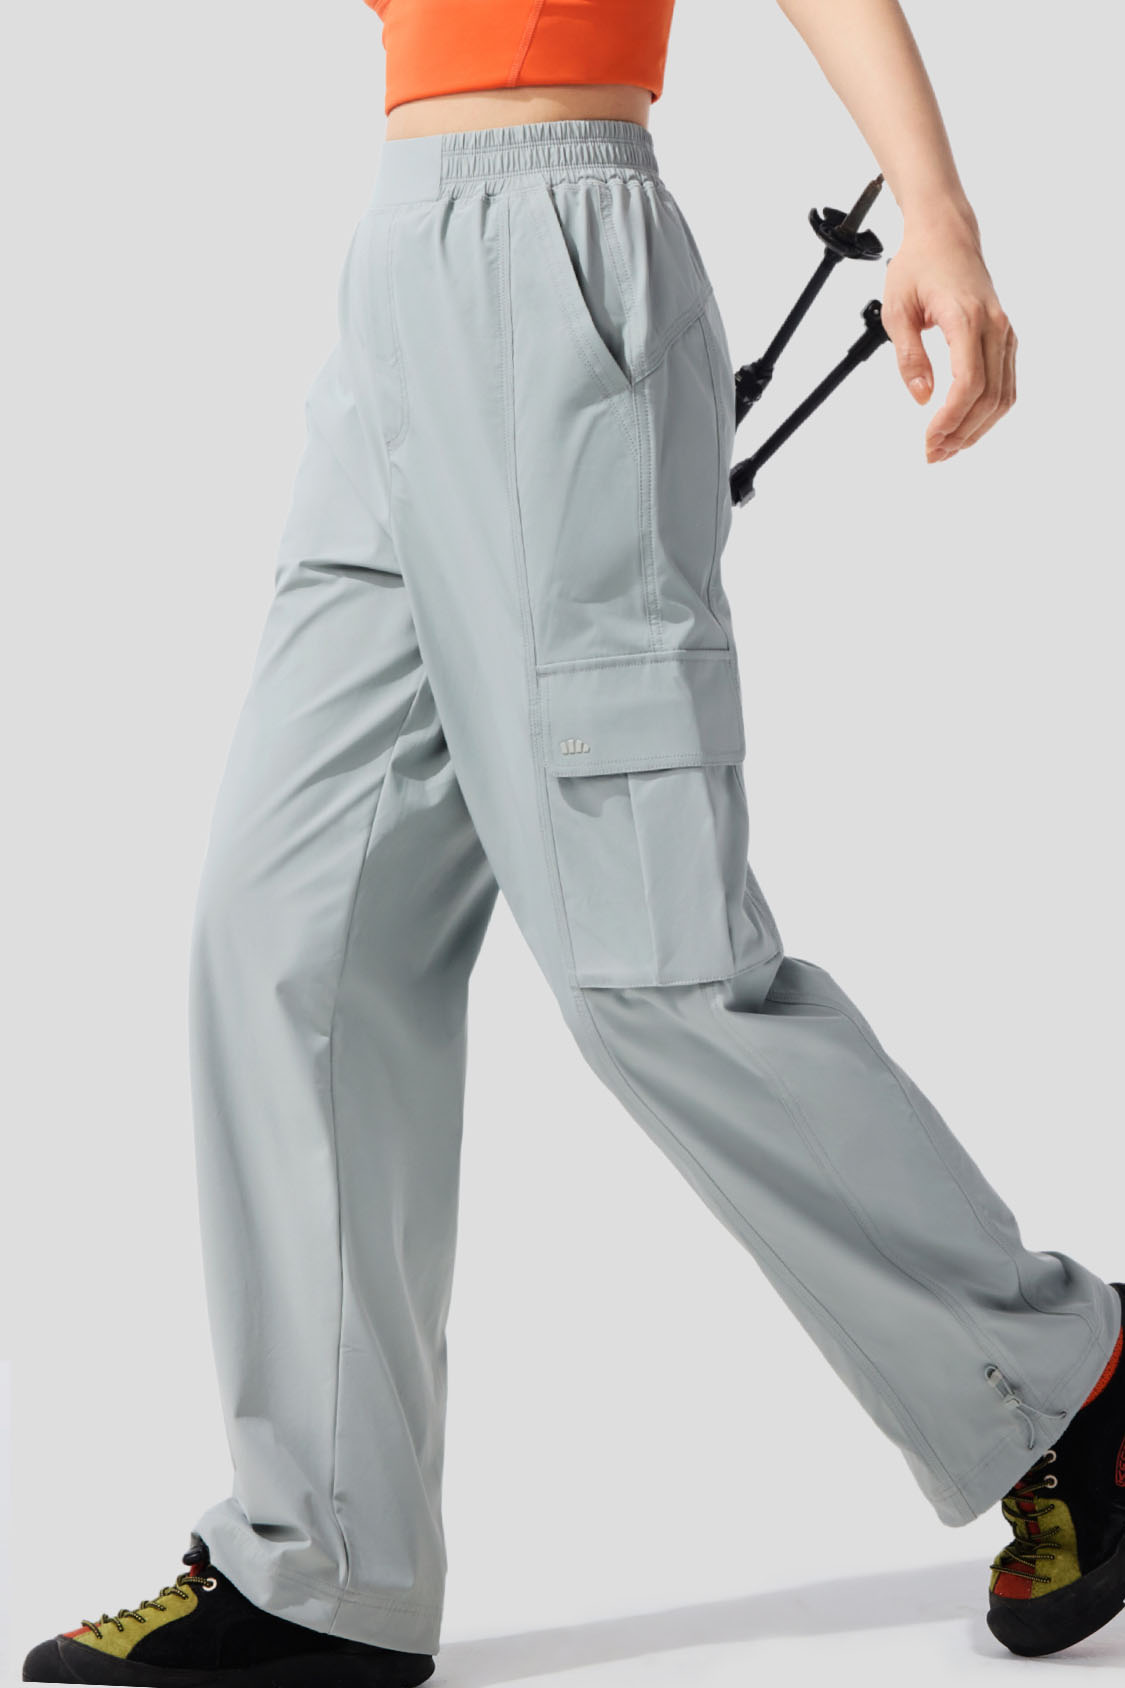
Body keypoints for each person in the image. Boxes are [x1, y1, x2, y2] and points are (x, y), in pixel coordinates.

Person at [22, 0, 1125, 1681]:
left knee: (648, 961)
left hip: (547, 250)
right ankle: (320, 1565)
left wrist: (936, 212)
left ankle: (1067, 1384)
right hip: (398, 278)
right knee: (288, 937)